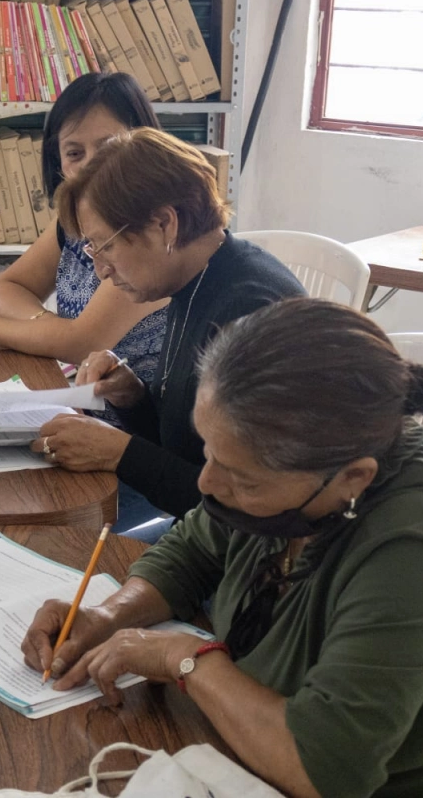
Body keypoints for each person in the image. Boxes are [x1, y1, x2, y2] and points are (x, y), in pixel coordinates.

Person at [22, 299, 423, 798]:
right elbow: (193, 550)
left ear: (353, 478)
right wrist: (109, 616)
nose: (207, 482)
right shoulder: (288, 459)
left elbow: (322, 768)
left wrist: (189, 659)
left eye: (243, 479)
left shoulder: (416, 550)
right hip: (240, 743)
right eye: (208, 451)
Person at [33, 127, 305, 537]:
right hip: (199, 537)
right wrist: (135, 398)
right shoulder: (192, 277)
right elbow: (190, 441)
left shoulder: (250, 315)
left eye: (106, 246)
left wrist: (121, 455)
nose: (101, 269)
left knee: (62, 554)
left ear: (165, 224)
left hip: (246, 559)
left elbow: (244, 512)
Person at [0, 73, 168, 384]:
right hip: (83, 402)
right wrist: (48, 328)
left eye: (109, 147)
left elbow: (80, 343)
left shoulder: (151, 231)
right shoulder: (72, 222)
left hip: (133, 422)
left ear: (143, 143)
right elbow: (7, 288)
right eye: (74, 153)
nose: (91, 166)